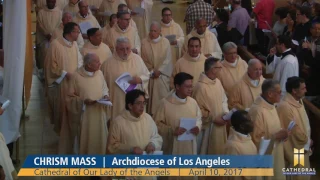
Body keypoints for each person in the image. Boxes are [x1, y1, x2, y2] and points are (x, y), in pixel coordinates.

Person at [45, 22, 83, 154]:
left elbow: (79, 61)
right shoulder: (56, 44)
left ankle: (71, 137)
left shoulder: (74, 45)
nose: (78, 34)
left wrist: (78, 72)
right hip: (62, 84)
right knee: (62, 110)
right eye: (77, 32)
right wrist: (65, 73)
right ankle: (63, 138)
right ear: (69, 32)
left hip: (74, 82)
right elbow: (51, 64)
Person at [67, 53, 109, 155]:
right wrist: (83, 102)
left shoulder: (99, 73)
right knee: (86, 138)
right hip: (85, 115)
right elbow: (70, 97)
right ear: (89, 65)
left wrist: (105, 96)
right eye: (97, 62)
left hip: (99, 113)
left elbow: (104, 88)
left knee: (100, 138)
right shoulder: (76, 76)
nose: (100, 63)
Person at [101, 37, 149, 120]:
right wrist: (105, 95)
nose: (125, 52)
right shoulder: (108, 63)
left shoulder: (137, 59)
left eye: (128, 49)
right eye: (122, 49)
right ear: (116, 49)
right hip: (117, 100)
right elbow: (102, 84)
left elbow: (147, 74)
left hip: (134, 99)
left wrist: (140, 80)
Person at [154, 72, 202, 157]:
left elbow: (198, 119)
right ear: (177, 86)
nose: (190, 89)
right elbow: (156, 125)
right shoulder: (165, 103)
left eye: (191, 86)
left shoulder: (193, 102)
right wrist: (172, 130)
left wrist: (198, 127)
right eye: (187, 86)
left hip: (189, 145)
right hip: (172, 145)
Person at [249, 80, 288, 180]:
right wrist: (275, 137)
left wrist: (282, 133)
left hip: (276, 152)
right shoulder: (257, 110)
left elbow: (273, 128)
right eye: (279, 92)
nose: (281, 94)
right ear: (270, 94)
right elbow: (256, 140)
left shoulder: (271, 105)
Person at [107, 89, 162, 155]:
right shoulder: (118, 122)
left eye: (143, 103)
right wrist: (131, 149)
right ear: (130, 105)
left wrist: (153, 144)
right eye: (139, 103)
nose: (142, 106)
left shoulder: (148, 118)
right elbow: (112, 146)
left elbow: (156, 136)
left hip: (146, 162)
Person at [277, 77, 311, 180]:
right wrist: (306, 141)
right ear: (294, 91)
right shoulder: (285, 106)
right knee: (297, 175)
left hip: (302, 145)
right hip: (295, 148)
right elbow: (293, 130)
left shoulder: (298, 101)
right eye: (303, 88)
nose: (306, 90)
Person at [193, 57, 229, 155]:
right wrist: (213, 118)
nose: (221, 70)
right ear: (213, 70)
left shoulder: (217, 82)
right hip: (208, 128)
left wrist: (225, 113)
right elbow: (197, 110)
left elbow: (223, 100)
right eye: (219, 68)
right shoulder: (200, 87)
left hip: (221, 123)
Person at [141, 22, 172, 115]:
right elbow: (143, 59)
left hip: (162, 77)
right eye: (151, 30)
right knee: (150, 102)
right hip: (150, 76)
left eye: (155, 31)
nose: (152, 33)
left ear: (159, 31)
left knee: (162, 102)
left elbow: (168, 59)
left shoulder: (165, 42)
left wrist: (160, 71)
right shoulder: (144, 42)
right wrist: (151, 71)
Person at [224, 110, 258, 180]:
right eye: (249, 121)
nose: (253, 123)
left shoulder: (247, 139)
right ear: (242, 126)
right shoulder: (232, 146)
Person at [36, 0, 62, 77]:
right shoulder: (41, 12)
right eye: (49, 1)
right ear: (46, 1)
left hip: (55, 38)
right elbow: (40, 24)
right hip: (44, 39)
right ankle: (44, 74)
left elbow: (59, 25)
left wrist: (53, 35)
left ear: (55, 2)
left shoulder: (59, 12)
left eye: (52, 1)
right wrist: (46, 34)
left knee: (55, 56)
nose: (51, 3)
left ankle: (54, 75)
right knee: (44, 55)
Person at [297, 22, 320, 95]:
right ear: (311, 30)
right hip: (303, 69)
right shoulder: (305, 40)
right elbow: (299, 55)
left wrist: (312, 48)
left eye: (319, 29)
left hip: (315, 71)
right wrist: (302, 66)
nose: (317, 31)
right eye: (315, 29)